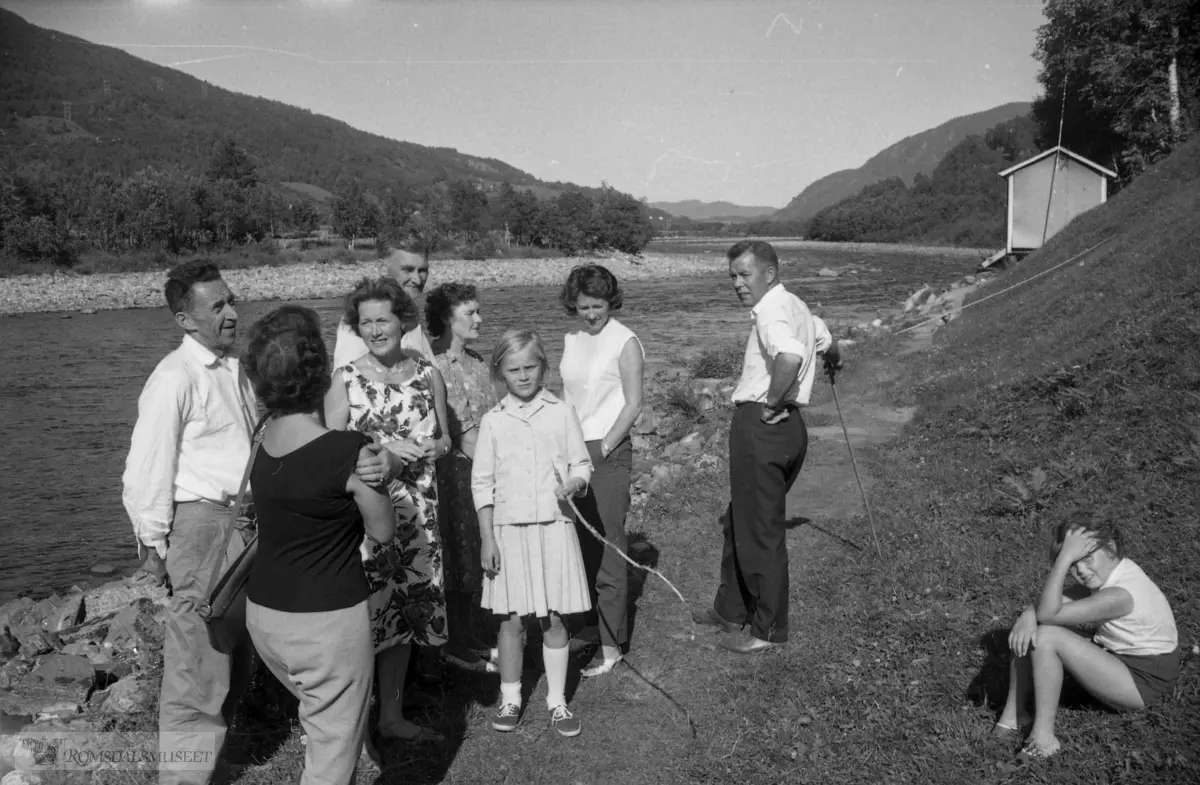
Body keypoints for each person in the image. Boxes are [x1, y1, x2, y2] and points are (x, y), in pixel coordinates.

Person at [242, 305, 396, 785]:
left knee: (322, 721)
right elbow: (384, 531)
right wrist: (383, 469)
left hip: (264, 615)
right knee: (332, 747)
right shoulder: (347, 451)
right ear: (321, 374)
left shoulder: (261, 438)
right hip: (325, 622)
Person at [121, 260, 258, 785]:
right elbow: (146, 467)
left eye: (231, 300)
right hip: (201, 524)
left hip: (242, 519)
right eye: (217, 305)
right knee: (195, 655)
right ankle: (182, 778)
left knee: (233, 641)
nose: (231, 312)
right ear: (185, 319)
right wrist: (153, 546)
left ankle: (216, 759)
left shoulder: (234, 367)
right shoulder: (174, 377)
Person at [692, 240, 839, 654]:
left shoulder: (772, 310)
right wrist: (836, 360)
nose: (737, 284)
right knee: (741, 519)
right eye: (732, 277)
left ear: (769, 274)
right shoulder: (796, 306)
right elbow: (825, 339)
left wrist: (772, 401)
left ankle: (768, 629)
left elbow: (790, 355)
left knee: (761, 532)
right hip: (790, 430)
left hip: (764, 425)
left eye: (744, 275)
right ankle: (730, 609)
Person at [324, 275, 451, 744]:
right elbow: (330, 455)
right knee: (365, 618)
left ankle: (391, 716)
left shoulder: (426, 373)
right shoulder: (346, 379)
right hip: (366, 519)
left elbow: (445, 440)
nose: (375, 329)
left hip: (420, 513)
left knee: (402, 615)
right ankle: (345, 719)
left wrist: (418, 448)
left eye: (383, 319)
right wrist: (385, 448)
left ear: (404, 321)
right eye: (366, 322)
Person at [472, 330, 593, 737]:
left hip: (553, 528)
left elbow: (582, 463)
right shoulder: (492, 421)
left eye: (530, 367)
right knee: (510, 620)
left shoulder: (561, 411)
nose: (523, 376)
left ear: (543, 366)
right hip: (507, 532)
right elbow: (482, 484)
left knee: (555, 617)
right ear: (500, 373)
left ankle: (557, 702)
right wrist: (487, 537)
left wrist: (575, 484)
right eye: (513, 370)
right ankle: (511, 698)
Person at [995, 511, 1180, 758]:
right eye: (1073, 564)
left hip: (1143, 683)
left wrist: (1063, 560)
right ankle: (1014, 714)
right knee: (1031, 631)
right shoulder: (1112, 573)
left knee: (1047, 636)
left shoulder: (1119, 595)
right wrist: (1029, 614)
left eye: (1086, 557)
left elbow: (1049, 614)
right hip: (1118, 659)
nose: (1081, 569)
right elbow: (1047, 607)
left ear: (1111, 547)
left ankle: (1044, 738)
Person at [558, 265, 644, 677]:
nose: (591, 314)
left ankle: (612, 644)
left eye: (598, 306)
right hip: (573, 449)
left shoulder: (625, 340)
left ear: (612, 302)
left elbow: (633, 403)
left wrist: (606, 446)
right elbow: (565, 396)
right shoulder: (571, 339)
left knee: (609, 546)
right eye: (584, 306)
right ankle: (592, 624)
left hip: (608, 450)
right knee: (583, 545)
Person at [427, 282, 500, 674]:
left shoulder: (475, 361)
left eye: (478, 311)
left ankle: (468, 636)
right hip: (458, 474)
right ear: (446, 318)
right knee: (459, 557)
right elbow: (461, 432)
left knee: (473, 555)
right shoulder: (437, 365)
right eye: (469, 313)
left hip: (481, 470)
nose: (479, 319)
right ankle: (455, 643)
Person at [333, 249, 433, 367]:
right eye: (408, 270)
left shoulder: (410, 319)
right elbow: (349, 378)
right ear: (383, 269)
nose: (417, 279)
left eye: (422, 270)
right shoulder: (359, 323)